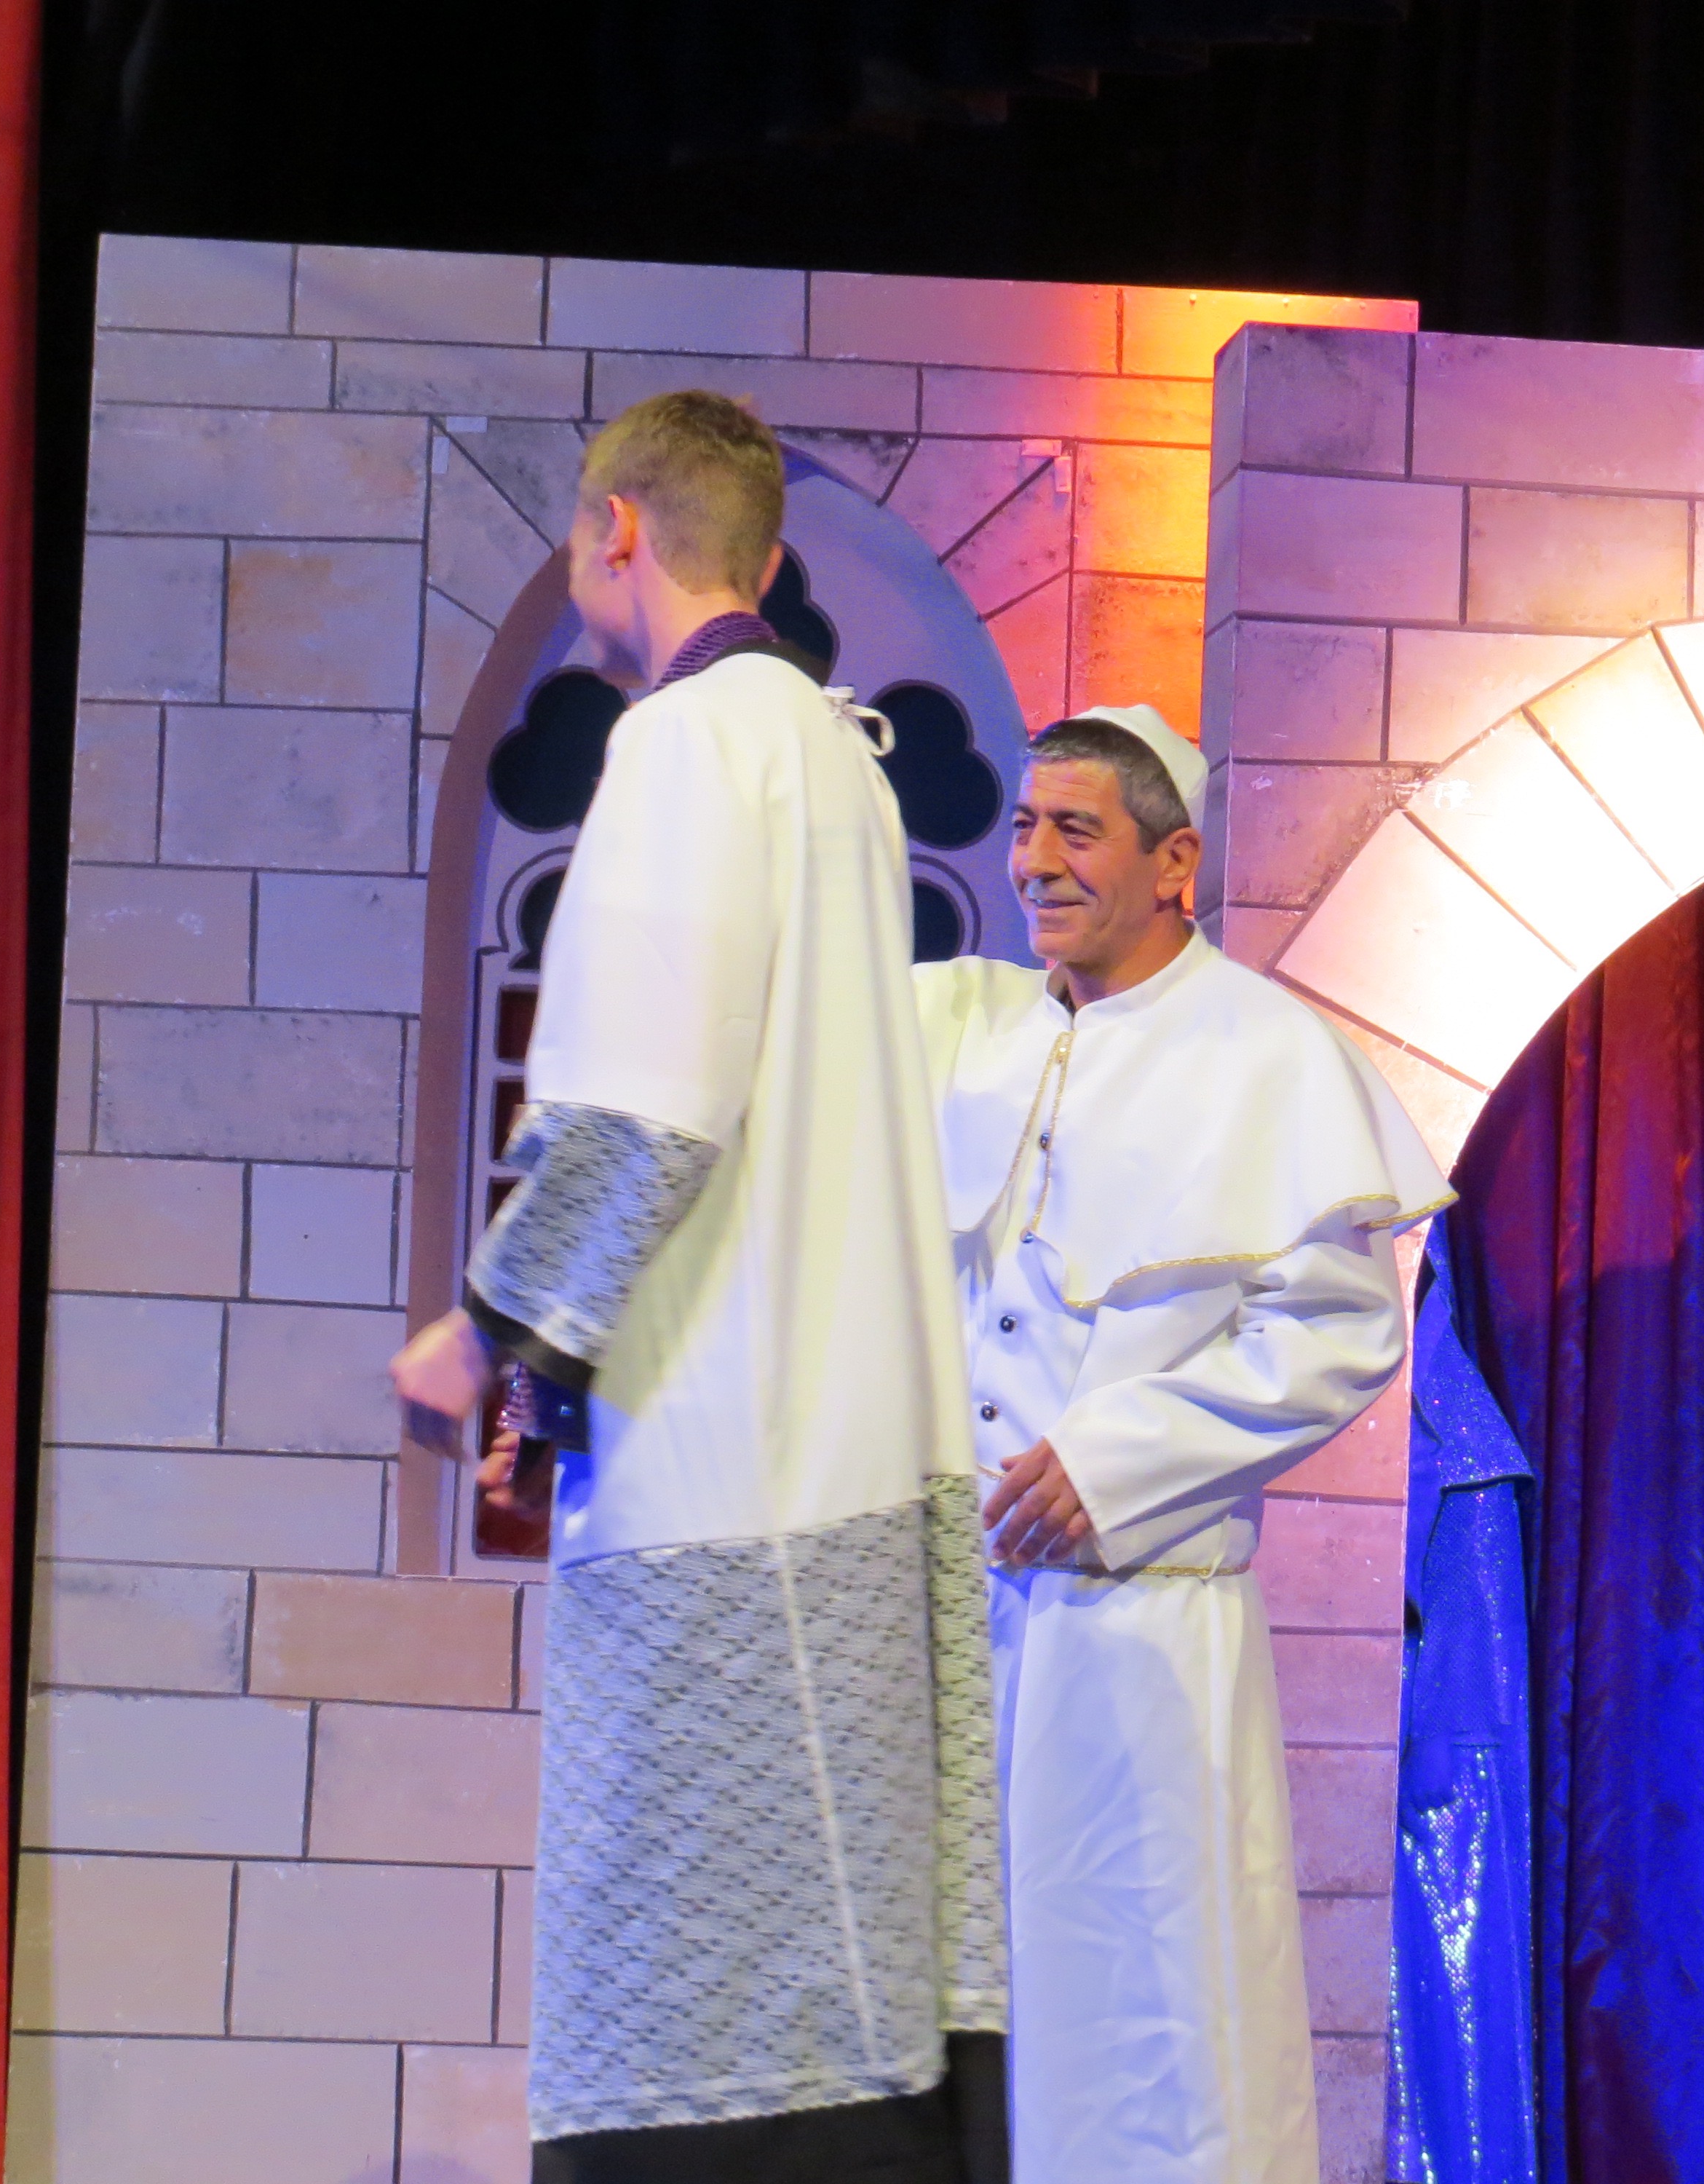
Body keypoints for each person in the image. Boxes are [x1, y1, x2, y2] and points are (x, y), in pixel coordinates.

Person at [390, 390, 1005, 2184]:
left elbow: (644, 1113)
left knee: (713, 2018)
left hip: (735, 1483)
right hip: (841, 1438)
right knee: (840, 1988)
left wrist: (486, 1334)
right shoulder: (834, 756)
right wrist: (548, 1377)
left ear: (614, 534)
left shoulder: (680, 748)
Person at [911, 705, 1452, 2184]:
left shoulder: (1265, 1053)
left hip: (1135, 1630)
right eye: (1024, 826)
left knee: (1144, 2036)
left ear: (1174, 864)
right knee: (958, 2039)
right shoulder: (965, 1031)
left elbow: (1337, 1331)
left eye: (1075, 829)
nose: (1034, 860)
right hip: (953, 1625)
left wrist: (1118, 1462)